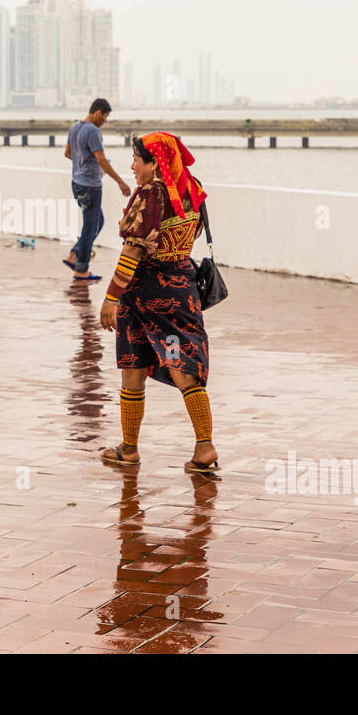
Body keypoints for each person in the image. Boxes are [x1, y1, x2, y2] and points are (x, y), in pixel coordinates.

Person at [97, 133, 217, 473]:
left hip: (145, 294)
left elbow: (134, 248)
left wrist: (110, 298)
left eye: (137, 160)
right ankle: (200, 445)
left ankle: (131, 448)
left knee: (135, 363)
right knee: (179, 362)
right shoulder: (191, 188)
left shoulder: (152, 194)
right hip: (181, 287)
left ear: (155, 164)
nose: (132, 166)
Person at [62, 98, 130, 284]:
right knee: (90, 226)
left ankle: (75, 254)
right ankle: (81, 270)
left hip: (77, 183)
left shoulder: (75, 127)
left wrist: (82, 165)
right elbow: (101, 159)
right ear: (98, 112)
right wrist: (120, 182)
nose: (105, 120)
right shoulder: (93, 131)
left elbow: (68, 153)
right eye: (105, 116)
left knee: (97, 221)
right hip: (91, 186)